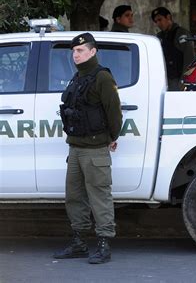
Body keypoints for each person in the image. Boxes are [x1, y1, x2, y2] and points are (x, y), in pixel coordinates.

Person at [54, 33, 123, 264]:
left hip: (95, 149)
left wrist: (113, 136)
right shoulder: (77, 77)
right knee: (74, 197)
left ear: (92, 52)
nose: (76, 54)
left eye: (81, 51)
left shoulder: (102, 77)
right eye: (74, 51)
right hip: (75, 148)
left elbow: (114, 111)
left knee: (99, 196)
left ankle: (104, 244)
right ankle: (79, 242)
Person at [151, 7, 195, 90]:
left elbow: (189, 58)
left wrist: (184, 80)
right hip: (163, 80)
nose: (158, 24)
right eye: (156, 21)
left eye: (160, 20)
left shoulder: (181, 33)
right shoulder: (159, 36)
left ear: (168, 17)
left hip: (177, 80)